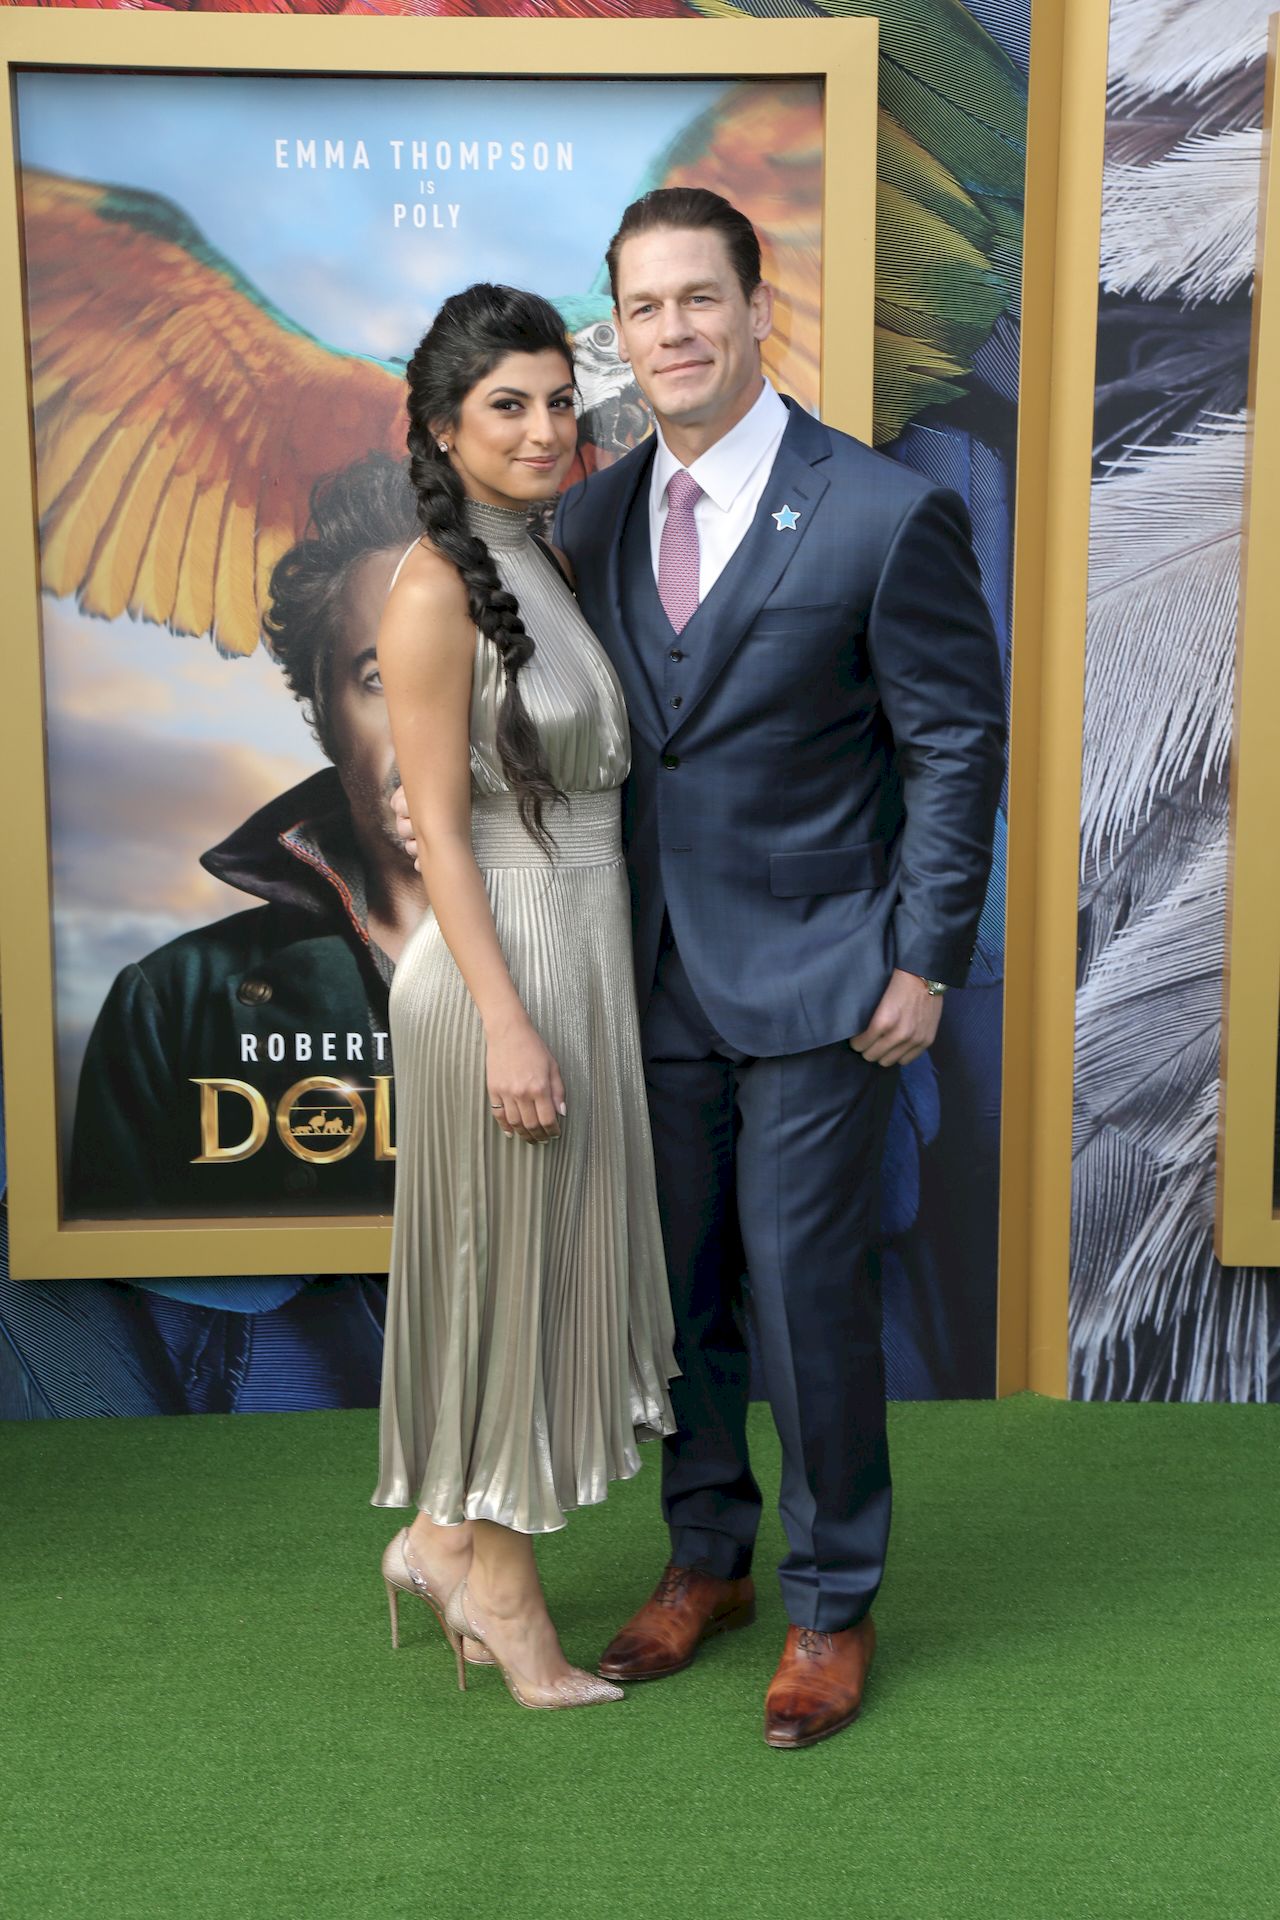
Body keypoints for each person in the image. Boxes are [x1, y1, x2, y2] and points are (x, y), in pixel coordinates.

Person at [551, 188, 1006, 1748]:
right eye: (644, 306)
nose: (672, 330)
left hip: (827, 978)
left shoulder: (881, 511)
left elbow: (955, 749)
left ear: (760, 309)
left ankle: (830, 1604)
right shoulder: (592, 520)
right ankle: (709, 1561)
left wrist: (925, 960)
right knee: (681, 1297)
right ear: (619, 333)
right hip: (647, 975)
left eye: (700, 298)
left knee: (809, 1294)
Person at [370, 284, 677, 1711]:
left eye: (560, 399)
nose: (547, 427)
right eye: (509, 405)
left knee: (536, 1272)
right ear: (443, 427)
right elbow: (436, 832)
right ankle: (494, 1587)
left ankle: (443, 1539)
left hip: (580, 947)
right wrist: (504, 1022)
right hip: (505, 965)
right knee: (510, 1284)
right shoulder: (433, 588)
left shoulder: (536, 554)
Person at [69, 454, 426, 1215]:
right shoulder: (170, 1006)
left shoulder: (632, 968)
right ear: (323, 715)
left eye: (470, 669)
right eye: (380, 679)